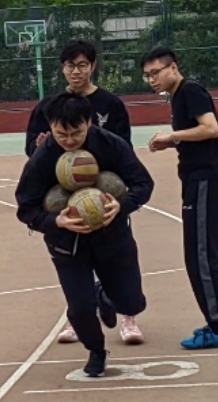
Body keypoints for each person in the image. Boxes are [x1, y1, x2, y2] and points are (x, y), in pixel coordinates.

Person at [15, 93, 154, 378]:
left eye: (76, 132)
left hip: (112, 238)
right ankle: (96, 351)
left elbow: (143, 184)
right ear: (50, 127)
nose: (69, 140)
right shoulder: (42, 159)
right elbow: (25, 208)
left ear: (89, 122)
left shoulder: (111, 145)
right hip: (67, 246)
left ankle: (104, 295)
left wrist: (122, 205)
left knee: (132, 303)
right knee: (79, 308)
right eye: (61, 134)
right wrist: (56, 221)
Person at [25, 39, 141, 345]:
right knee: (74, 266)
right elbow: (31, 150)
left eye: (82, 65)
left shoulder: (110, 105)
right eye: (70, 65)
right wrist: (42, 147)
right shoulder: (49, 107)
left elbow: (124, 148)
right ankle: (79, 316)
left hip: (103, 190)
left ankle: (127, 314)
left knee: (118, 265)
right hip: (63, 194)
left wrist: (111, 187)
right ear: (62, 68)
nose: (76, 71)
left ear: (92, 66)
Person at [142, 46, 218, 349]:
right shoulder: (178, 96)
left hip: (204, 179)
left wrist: (172, 136)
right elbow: (197, 135)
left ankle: (216, 325)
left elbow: (210, 129)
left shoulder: (190, 91)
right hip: (205, 177)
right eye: (147, 75)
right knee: (216, 248)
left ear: (173, 68)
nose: (152, 79)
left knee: (199, 254)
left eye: (156, 72)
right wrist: (171, 143)